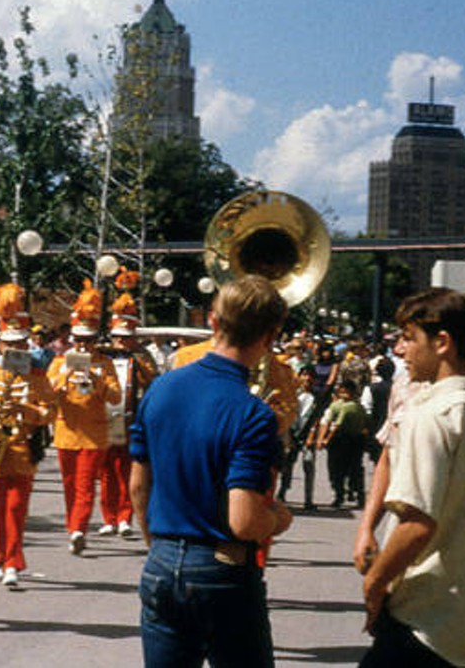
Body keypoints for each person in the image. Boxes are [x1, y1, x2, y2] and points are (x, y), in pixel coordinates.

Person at [129, 275, 293, 666]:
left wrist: (160, 547)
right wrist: (279, 518)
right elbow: (245, 521)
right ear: (271, 336)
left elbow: (138, 486)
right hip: (221, 568)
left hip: (162, 559)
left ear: (214, 323)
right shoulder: (253, 413)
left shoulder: (161, 387)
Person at [358, 288, 465, 667]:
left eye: (410, 338)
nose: (400, 350)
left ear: (442, 342)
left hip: (425, 623)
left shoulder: (430, 415)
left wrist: (375, 583)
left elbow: (417, 523)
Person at [0, 282, 54, 589]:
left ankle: (13, 561)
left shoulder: (37, 377)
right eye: (8, 344)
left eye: (20, 344)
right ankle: (1, 558)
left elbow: (51, 412)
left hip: (23, 448)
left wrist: (28, 409)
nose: (14, 349)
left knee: (15, 508)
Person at [48, 280, 120, 554]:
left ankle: (79, 528)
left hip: (94, 434)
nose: (84, 345)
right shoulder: (59, 362)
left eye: (89, 340)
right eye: (79, 340)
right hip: (66, 431)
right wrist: (65, 376)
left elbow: (114, 397)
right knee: (69, 485)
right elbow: (48, 394)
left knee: (86, 484)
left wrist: (97, 379)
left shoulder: (105, 362)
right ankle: (73, 527)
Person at [99, 275, 157, 536]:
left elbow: (152, 382)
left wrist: (137, 360)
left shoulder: (142, 358)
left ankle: (125, 517)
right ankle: (108, 517)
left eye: (126, 338)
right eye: (118, 338)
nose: (121, 343)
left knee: (127, 470)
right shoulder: (102, 357)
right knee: (107, 471)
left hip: (131, 418)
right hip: (106, 418)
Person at [315, 379, 367, 508]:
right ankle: (352, 494)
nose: (345, 395)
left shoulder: (350, 407)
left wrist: (325, 439)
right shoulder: (344, 406)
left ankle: (343, 494)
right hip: (346, 441)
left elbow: (335, 425)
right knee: (346, 469)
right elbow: (326, 422)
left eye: (347, 392)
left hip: (346, 440)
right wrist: (322, 438)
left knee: (343, 470)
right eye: (342, 392)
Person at [277, 365, 320, 510]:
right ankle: (282, 493)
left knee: (309, 464)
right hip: (293, 434)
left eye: (310, 376)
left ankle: (309, 499)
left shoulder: (318, 397)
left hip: (308, 435)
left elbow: (319, 419)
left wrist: (313, 437)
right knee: (287, 466)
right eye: (304, 375)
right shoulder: (292, 395)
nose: (307, 379)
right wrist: (287, 436)